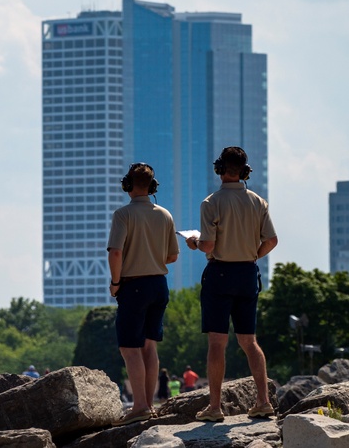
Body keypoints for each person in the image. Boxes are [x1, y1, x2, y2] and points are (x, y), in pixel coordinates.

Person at [184, 146, 278, 422]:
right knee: (249, 341)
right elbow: (271, 240)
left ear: (219, 169)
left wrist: (194, 243)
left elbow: (208, 245)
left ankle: (215, 407)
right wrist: (251, 255)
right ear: (245, 172)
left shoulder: (211, 202)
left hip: (220, 275)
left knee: (217, 342)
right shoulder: (259, 202)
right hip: (248, 274)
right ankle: (263, 401)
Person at [107, 162, 179, 425]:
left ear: (128, 185)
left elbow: (115, 252)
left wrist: (116, 282)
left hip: (133, 285)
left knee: (129, 348)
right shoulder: (165, 215)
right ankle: (148, 405)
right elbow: (172, 256)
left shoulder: (123, 215)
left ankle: (138, 407)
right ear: (152, 186)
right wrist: (151, 255)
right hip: (159, 284)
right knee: (150, 346)